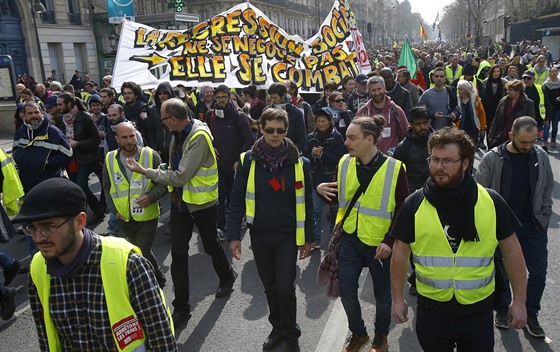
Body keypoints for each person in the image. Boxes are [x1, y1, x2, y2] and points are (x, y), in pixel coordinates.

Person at [391, 127, 528, 352]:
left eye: (447, 161)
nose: (438, 166)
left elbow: (512, 251)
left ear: (465, 163)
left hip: (477, 312)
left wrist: (519, 301)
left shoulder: (491, 202)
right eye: (434, 159)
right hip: (431, 311)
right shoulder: (414, 203)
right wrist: (397, 298)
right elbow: (400, 252)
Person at [13, 178, 176, 351]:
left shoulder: (128, 264)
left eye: (48, 227)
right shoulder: (38, 268)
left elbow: (161, 341)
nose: (38, 238)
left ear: (80, 222)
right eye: (31, 228)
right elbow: (45, 336)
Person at [125, 98, 236, 328]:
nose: (162, 123)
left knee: (211, 244)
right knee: (178, 255)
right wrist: (163, 169)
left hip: (201, 203)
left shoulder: (198, 137)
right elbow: (173, 167)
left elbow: (181, 176)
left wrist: (146, 171)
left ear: (173, 119)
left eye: (163, 119)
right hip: (179, 203)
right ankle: (182, 309)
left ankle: (227, 277)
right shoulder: (176, 133)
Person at [317, 116, 408, 352]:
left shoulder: (395, 168)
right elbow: (337, 198)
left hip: (379, 244)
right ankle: (359, 334)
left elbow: (403, 208)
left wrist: (390, 240)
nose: (346, 142)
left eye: (352, 138)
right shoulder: (344, 162)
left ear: (370, 139)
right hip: (350, 238)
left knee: (382, 295)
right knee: (346, 290)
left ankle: (381, 336)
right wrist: (321, 191)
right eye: (347, 137)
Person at [227, 108, 313, 352]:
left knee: (286, 287)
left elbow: (307, 202)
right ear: (260, 129)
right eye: (269, 130)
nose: (275, 135)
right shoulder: (247, 160)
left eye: (281, 130)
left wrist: (309, 238)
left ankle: (291, 333)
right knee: (271, 287)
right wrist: (234, 236)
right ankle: (277, 328)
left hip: (287, 236)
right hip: (261, 235)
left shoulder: (300, 163)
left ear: (287, 131)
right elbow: (236, 200)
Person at [475, 116, 553, 338]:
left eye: (532, 142)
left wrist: (544, 216)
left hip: (533, 227)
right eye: (523, 143)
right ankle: (502, 308)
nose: (529, 147)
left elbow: (547, 188)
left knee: (538, 272)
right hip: (502, 229)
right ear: (511, 135)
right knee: (503, 272)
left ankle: (531, 314)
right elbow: (480, 192)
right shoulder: (492, 158)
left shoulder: (541, 156)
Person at [103, 122, 168, 288]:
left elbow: (165, 182)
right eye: (124, 137)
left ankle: (147, 287)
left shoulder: (151, 155)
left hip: (147, 216)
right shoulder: (110, 158)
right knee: (141, 251)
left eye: (132, 136)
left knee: (139, 253)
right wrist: (114, 211)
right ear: (117, 139)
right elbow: (107, 186)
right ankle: (159, 276)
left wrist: (151, 197)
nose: (129, 140)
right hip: (124, 217)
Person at [205, 84, 254, 239]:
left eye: (224, 97)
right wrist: (211, 147)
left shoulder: (239, 116)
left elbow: (249, 139)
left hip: (234, 165)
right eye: (218, 97)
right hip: (218, 164)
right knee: (218, 197)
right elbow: (205, 135)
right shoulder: (210, 115)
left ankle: (235, 225)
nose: (220, 100)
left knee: (235, 197)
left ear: (229, 98)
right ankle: (220, 227)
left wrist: (240, 159)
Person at [55, 92, 105, 223]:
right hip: (70, 160)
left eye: (60, 104)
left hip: (87, 158)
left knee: (81, 186)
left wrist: (78, 144)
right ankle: (80, 213)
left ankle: (99, 210)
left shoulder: (85, 117)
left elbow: (96, 140)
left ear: (69, 104)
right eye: (57, 104)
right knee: (75, 188)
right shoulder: (60, 119)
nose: (58, 107)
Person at [304, 107, 345, 249]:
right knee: (315, 210)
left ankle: (335, 238)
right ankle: (315, 239)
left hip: (331, 179)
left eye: (323, 121)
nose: (321, 123)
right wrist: (313, 155)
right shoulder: (310, 137)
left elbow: (340, 158)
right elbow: (304, 158)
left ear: (330, 121)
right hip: (315, 178)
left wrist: (322, 155)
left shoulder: (337, 137)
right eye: (318, 121)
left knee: (334, 209)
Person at [356, 76, 409, 156]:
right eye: (373, 90)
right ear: (369, 91)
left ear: (384, 89)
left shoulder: (396, 111)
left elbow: (405, 134)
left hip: (392, 159)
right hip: (368, 159)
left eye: (379, 89)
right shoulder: (363, 112)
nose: (377, 93)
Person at [488, 79, 535, 148]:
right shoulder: (503, 101)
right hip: (502, 135)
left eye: (510, 90)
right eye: (507, 90)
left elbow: (531, 122)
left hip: (519, 137)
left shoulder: (528, 103)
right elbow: (496, 120)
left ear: (517, 91)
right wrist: (491, 135)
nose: (507, 92)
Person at [266, 83, 307, 152]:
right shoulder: (266, 111)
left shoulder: (296, 112)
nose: (273, 101)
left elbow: (301, 137)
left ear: (283, 95)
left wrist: (298, 152)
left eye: (275, 98)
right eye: (271, 98)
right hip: (269, 151)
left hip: (289, 152)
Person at [451, 80, 487, 147]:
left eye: (461, 89)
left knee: (471, 147)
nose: (459, 91)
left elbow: (482, 114)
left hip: (473, 127)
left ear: (467, 90)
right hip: (460, 127)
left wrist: (483, 128)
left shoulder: (475, 98)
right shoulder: (456, 98)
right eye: (458, 89)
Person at [542, 66, 560, 148]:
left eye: (556, 72)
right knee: (546, 126)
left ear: (558, 73)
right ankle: (545, 142)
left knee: (555, 126)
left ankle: (553, 140)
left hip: (557, 108)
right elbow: (542, 97)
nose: (554, 73)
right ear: (549, 73)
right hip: (547, 109)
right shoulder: (545, 85)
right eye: (552, 71)